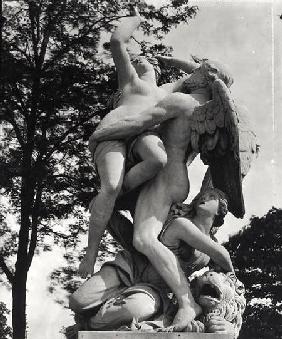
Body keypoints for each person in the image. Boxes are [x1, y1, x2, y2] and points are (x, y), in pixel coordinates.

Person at [88, 54, 234, 330]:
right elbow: (197, 75)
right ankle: (168, 295)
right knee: (148, 238)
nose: (188, 75)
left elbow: (139, 122)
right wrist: (177, 63)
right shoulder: (206, 107)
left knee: (144, 239)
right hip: (177, 177)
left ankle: (185, 300)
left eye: (197, 71)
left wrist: (99, 136)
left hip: (164, 178)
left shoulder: (182, 101)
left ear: (203, 77)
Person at [78, 7, 169, 278]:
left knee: (159, 158)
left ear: (157, 69)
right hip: (114, 134)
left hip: (143, 135)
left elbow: (201, 78)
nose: (140, 59)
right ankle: (90, 254)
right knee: (111, 186)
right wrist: (137, 18)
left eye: (145, 58)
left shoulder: (166, 91)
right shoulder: (129, 80)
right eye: (137, 57)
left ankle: (118, 196)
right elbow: (117, 41)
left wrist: (169, 59)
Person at [69, 188, 234, 333]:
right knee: (78, 302)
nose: (204, 198)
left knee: (133, 309)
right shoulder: (181, 224)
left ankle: (89, 326)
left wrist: (227, 324)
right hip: (129, 268)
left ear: (221, 209)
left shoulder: (210, 250)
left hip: (155, 289)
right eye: (202, 195)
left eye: (212, 196)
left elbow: (223, 287)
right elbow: (221, 254)